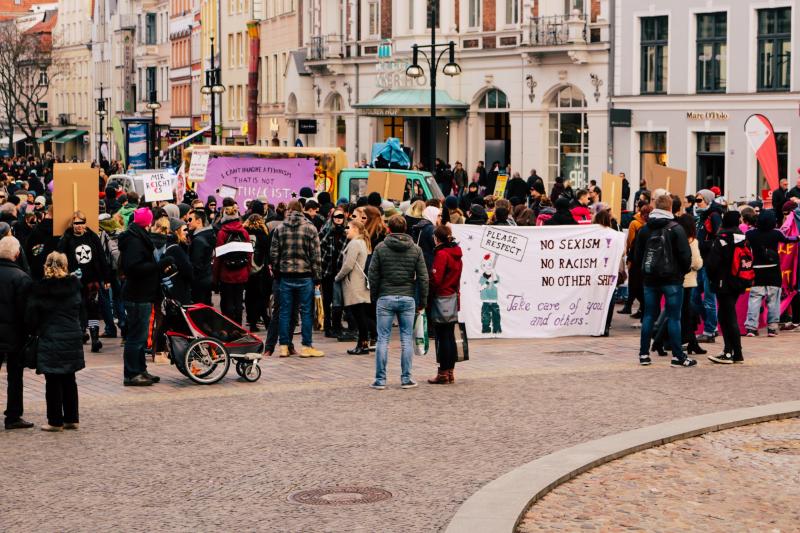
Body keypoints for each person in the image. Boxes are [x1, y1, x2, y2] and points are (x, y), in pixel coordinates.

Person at [368, 215, 428, 389]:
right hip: (407, 297)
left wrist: (375, 295)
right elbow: (423, 277)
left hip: (385, 296)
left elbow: (373, 274)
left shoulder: (380, 247)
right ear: (406, 229)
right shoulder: (415, 249)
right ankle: (406, 378)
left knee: (382, 340)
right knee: (406, 339)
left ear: (389, 229)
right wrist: (422, 301)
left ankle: (380, 380)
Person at [26, 252, 85, 431]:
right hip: (72, 337)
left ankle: (55, 421)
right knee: (69, 378)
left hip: (50, 337)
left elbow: (31, 318)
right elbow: (82, 311)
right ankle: (71, 418)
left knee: (52, 381)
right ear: (65, 266)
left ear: (46, 266)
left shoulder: (40, 290)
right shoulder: (74, 287)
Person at [634, 194, 695, 367]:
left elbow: (637, 256)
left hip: (650, 279)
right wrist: (681, 272)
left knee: (648, 316)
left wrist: (644, 273)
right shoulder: (676, 228)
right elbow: (685, 256)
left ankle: (644, 354)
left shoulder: (645, 229)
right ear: (670, 208)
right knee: (674, 317)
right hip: (672, 279)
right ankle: (677, 356)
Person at [269, 200, 324, 358]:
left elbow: (273, 254)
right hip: (305, 275)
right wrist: (317, 277)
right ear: (302, 210)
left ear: (289, 210)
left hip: (285, 276)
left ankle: (284, 346)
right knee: (306, 312)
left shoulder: (280, 228)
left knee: (285, 312)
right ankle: (306, 346)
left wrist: (278, 271)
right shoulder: (310, 228)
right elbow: (316, 256)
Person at [57, 211, 111, 353]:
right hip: (74, 280)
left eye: (81, 223)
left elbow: (101, 257)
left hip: (92, 279)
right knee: (78, 306)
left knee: (93, 306)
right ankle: (80, 332)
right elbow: (60, 257)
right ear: (73, 224)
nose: (79, 226)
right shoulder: (67, 238)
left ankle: (95, 338)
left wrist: (106, 278)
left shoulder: (92, 237)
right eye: (76, 223)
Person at [118, 207, 161, 386]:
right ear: (147, 221)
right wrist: (157, 266)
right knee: (136, 336)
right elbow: (133, 267)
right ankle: (132, 373)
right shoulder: (135, 241)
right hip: (137, 295)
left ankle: (141, 369)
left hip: (142, 293)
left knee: (141, 336)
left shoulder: (137, 236)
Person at [706, 211, 750, 364]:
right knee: (728, 315)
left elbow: (712, 264)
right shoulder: (743, 238)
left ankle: (733, 353)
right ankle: (732, 351)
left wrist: (712, 279)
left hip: (723, 282)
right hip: (738, 281)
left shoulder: (722, 239)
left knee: (727, 317)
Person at [744, 210, 796, 337]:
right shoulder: (776, 233)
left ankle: (751, 327)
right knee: (773, 300)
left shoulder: (750, 233)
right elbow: (788, 240)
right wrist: (798, 238)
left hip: (757, 270)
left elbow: (743, 243)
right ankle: (772, 328)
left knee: (755, 299)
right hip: (773, 270)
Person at [0, 237, 33, 429]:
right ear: (17, 254)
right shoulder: (21, 277)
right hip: (15, 335)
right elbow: (26, 311)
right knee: (15, 377)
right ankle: (13, 416)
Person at [427, 225, 462, 384]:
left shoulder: (442, 254)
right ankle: (450, 372)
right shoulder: (456, 254)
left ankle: (442, 373)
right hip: (453, 296)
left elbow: (436, 279)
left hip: (442, 297)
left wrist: (429, 290)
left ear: (437, 238)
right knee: (449, 335)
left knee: (442, 336)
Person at [336, 220, 372, 355]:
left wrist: (337, 277)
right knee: (360, 314)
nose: (346, 230)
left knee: (359, 315)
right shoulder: (361, 242)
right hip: (359, 283)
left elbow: (348, 265)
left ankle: (363, 344)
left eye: (348, 228)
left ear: (356, 228)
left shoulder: (355, 243)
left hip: (355, 283)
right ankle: (362, 343)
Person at [212, 206, 251, 325]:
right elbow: (249, 254)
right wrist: (247, 271)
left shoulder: (222, 233)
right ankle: (239, 328)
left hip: (226, 273)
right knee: (239, 302)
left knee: (227, 302)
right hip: (241, 272)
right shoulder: (244, 232)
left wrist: (216, 277)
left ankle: (228, 327)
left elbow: (218, 257)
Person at [694, 189, 723, 343]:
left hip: (709, 263)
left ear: (708, 200)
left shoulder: (714, 215)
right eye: (696, 200)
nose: (697, 203)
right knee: (694, 297)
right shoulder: (701, 216)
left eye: (699, 200)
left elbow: (718, 237)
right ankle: (711, 326)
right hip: (700, 262)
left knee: (709, 299)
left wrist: (703, 244)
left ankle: (710, 330)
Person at [320, 207, 348, 338]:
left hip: (340, 270)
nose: (338, 219)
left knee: (338, 300)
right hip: (327, 270)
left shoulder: (347, 232)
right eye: (336, 216)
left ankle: (336, 325)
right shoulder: (325, 230)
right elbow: (320, 247)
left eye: (341, 216)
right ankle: (327, 326)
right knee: (327, 300)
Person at [243, 214, 270, 330]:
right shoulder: (263, 235)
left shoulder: (244, 234)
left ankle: (252, 321)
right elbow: (267, 252)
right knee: (261, 296)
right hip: (260, 269)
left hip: (247, 269)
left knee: (249, 296)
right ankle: (265, 319)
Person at [187, 209, 215, 305]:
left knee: (200, 309)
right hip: (206, 277)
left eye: (190, 220)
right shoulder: (207, 235)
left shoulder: (198, 240)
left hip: (200, 281)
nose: (188, 223)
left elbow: (196, 264)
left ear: (198, 221)